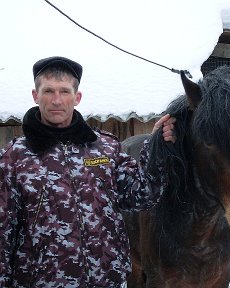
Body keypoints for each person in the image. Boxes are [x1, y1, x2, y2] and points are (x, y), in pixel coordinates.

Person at [0, 56, 176, 288]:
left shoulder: (105, 147)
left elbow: (142, 195)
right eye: (48, 91)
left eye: (64, 91)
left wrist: (156, 148)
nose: (56, 100)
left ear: (77, 97)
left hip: (106, 279)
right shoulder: (15, 157)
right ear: (35, 95)